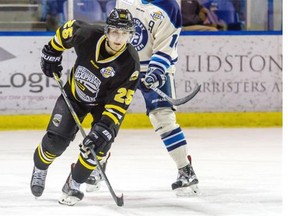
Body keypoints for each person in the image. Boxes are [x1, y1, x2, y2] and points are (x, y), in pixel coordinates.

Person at [87, 0, 199, 196]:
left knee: (163, 118)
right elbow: (116, 30)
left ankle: (185, 170)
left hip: (155, 69)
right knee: (106, 118)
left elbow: (166, 47)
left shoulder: (169, 7)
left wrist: (155, 72)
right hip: (124, 67)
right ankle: (98, 165)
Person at [30, 8, 140, 206]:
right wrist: (52, 51)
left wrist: (103, 128)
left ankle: (75, 182)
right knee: (55, 143)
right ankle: (40, 168)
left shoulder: (130, 64)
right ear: (106, 31)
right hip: (74, 96)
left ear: (131, 35)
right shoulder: (87, 35)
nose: (119, 38)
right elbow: (67, 30)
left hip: (105, 105)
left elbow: (119, 104)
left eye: (125, 33)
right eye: (115, 32)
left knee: (99, 144)